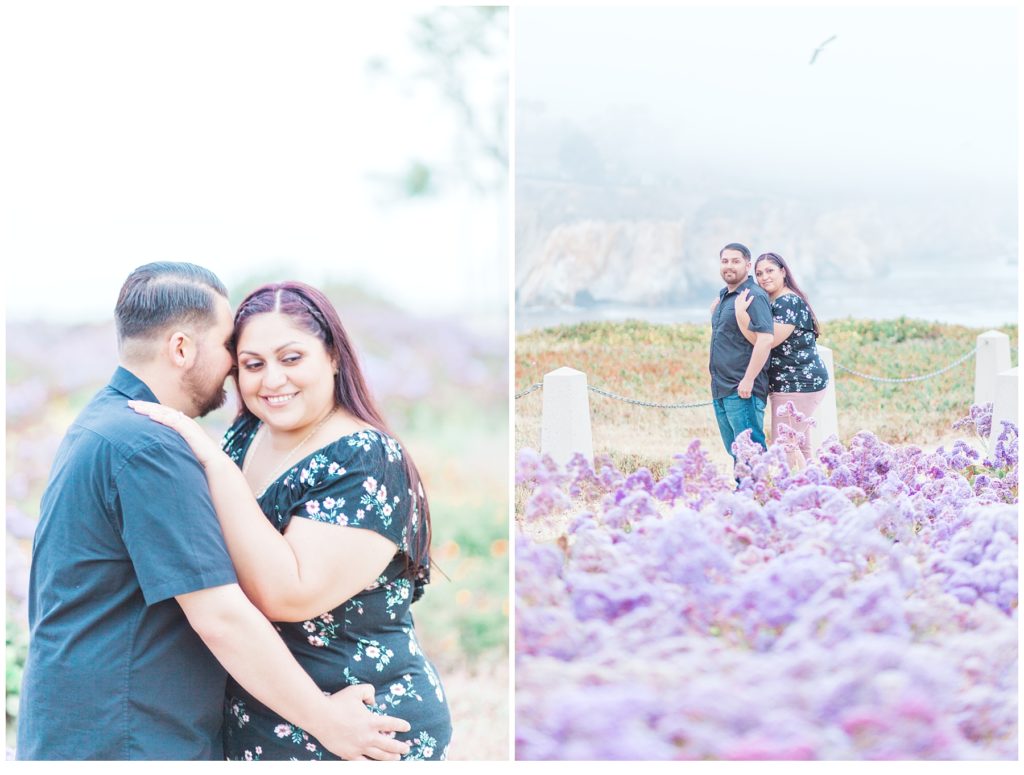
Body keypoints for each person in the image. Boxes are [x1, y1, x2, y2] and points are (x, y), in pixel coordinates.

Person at [16, 263, 411, 761]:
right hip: (129, 735)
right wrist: (328, 721)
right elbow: (221, 616)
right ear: (182, 348)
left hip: (99, 722)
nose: (232, 366)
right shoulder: (149, 447)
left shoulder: (105, 421)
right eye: (231, 348)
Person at [129, 281, 452, 761]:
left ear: (334, 357)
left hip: (359, 726)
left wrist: (214, 467)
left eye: (291, 358)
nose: (272, 380)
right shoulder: (248, 434)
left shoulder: (364, 457)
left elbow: (288, 594)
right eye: (253, 365)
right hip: (264, 717)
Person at [734, 252, 829, 465]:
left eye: (770, 271)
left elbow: (767, 341)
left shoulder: (788, 302)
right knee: (799, 447)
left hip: (799, 384)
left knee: (783, 447)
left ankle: (792, 494)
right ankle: (814, 492)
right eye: (759, 273)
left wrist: (741, 317)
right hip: (791, 384)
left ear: (783, 272)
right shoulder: (776, 301)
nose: (764, 277)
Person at [709, 243, 774, 461]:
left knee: (751, 451)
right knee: (736, 451)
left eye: (736, 261)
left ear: (747, 265)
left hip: (742, 389)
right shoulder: (725, 297)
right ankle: (743, 493)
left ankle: (758, 494)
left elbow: (765, 340)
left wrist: (748, 380)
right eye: (725, 261)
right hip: (722, 388)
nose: (729, 266)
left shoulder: (753, 295)